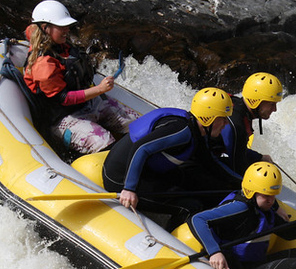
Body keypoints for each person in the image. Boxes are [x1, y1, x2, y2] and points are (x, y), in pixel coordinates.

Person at [102, 87, 242, 226]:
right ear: (209, 118)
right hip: (120, 179)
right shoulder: (181, 131)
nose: (225, 124)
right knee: (191, 207)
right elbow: (140, 148)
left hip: (145, 172)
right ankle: (169, 241)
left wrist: (243, 183)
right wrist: (129, 189)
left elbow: (211, 163)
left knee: (194, 182)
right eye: (223, 119)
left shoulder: (196, 131)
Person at [23, 0, 139, 154]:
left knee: (137, 124)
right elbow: (63, 98)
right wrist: (99, 89)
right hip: (63, 118)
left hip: (88, 103)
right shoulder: (43, 63)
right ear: (45, 28)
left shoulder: (61, 44)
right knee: (105, 142)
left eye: (67, 26)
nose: (67, 30)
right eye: (61, 27)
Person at [214, 73, 283, 174]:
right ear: (256, 101)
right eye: (272, 104)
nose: (275, 109)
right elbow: (238, 168)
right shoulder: (237, 125)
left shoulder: (237, 106)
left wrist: (259, 157)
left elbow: (238, 150)